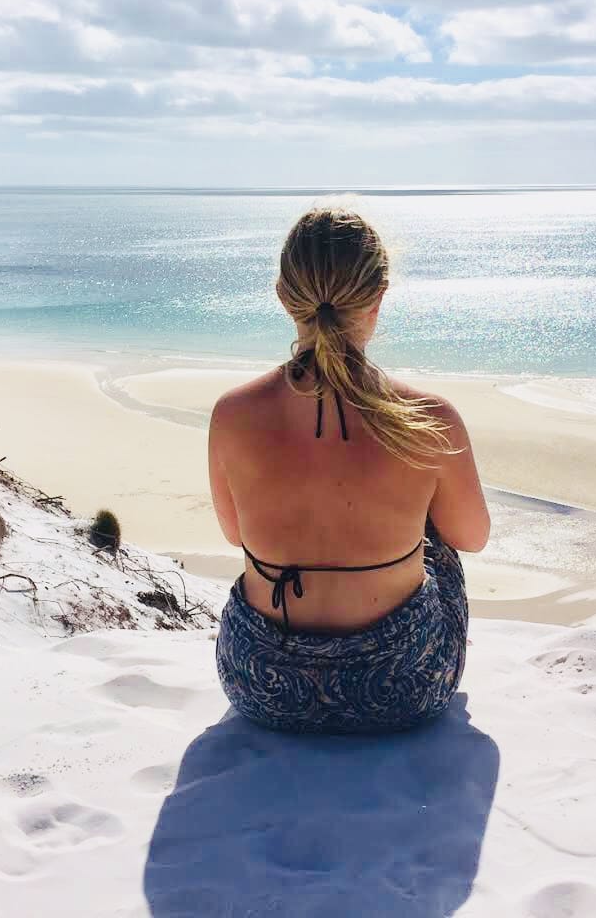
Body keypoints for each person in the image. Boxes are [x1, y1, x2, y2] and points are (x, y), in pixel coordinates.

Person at [208, 206, 489, 734]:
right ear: (378, 299)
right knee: (439, 541)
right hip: (402, 686)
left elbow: (234, 534)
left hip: (260, 683)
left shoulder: (233, 413)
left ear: (283, 297)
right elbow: (472, 537)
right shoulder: (428, 418)